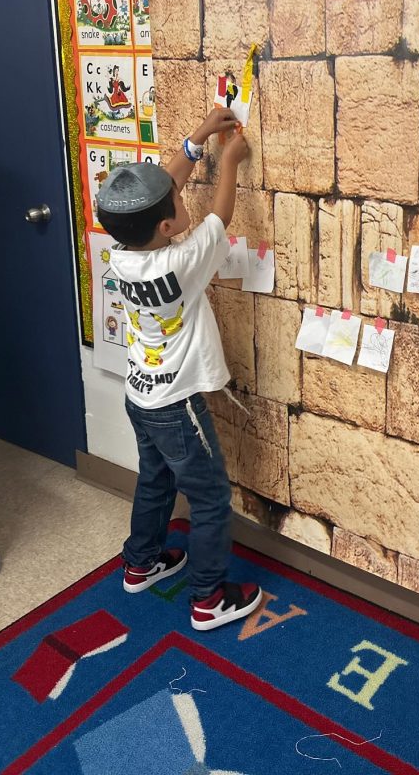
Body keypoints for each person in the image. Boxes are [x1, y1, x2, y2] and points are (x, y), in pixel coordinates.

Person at [95, 106, 262, 631]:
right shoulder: (180, 262)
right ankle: (209, 599)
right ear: (166, 224)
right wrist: (230, 158)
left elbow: (162, 187)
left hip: (139, 394)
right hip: (175, 403)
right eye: (173, 197)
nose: (177, 187)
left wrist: (200, 137)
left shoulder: (119, 252)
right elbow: (220, 217)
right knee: (211, 496)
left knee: (155, 478)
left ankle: (139, 563)